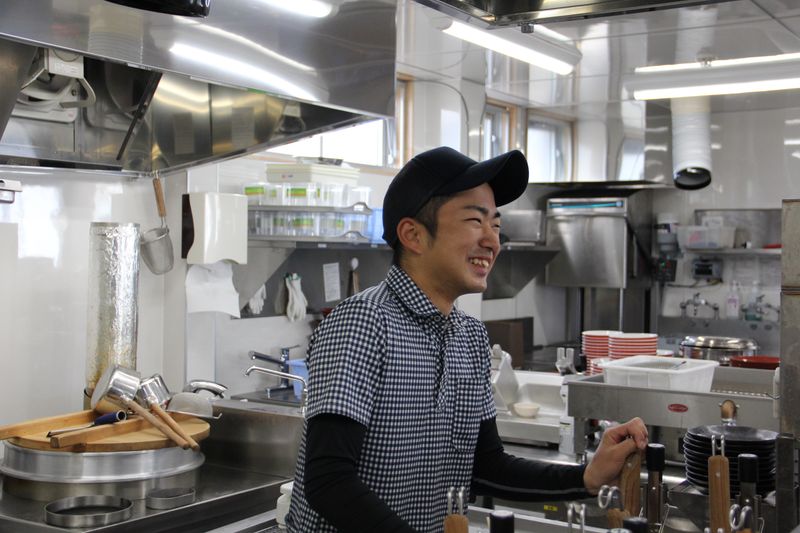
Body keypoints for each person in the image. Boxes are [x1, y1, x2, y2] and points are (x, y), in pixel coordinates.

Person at [285, 147, 648, 533]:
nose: (492, 240)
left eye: (495, 224)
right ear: (413, 235)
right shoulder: (363, 323)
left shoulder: (470, 336)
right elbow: (329, 482)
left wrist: (586, 477)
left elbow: (485, 467)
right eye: (475, 220)